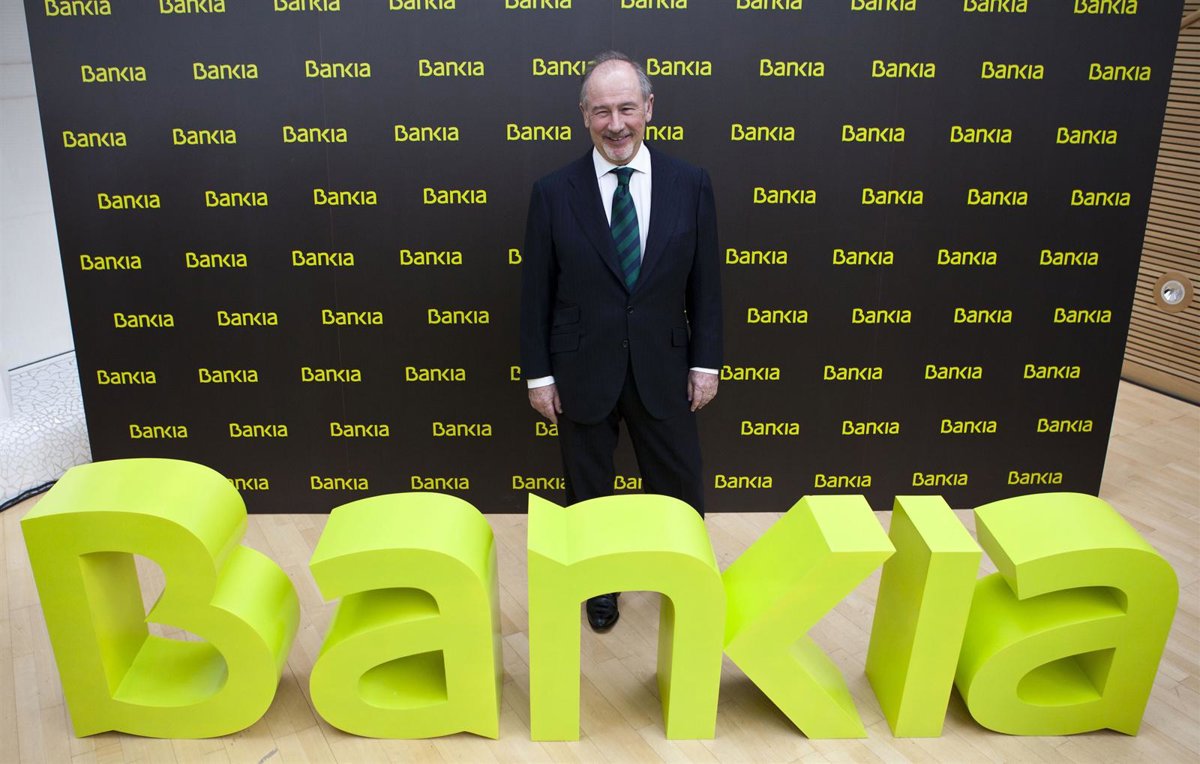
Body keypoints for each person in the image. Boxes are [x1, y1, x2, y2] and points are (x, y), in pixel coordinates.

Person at [519, 51, 723, 633]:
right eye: (602, 111)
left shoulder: (691, 184)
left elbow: (707, 285)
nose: (616, 124)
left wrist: (706, 363)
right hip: (580, 369)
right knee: (588, 491)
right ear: (584, 115)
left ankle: (682, 576)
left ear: (649, 109)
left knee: (679, 484)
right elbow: (535, 292)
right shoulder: (552, 192)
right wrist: (539, 375)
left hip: (666, 365)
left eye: (627, 109)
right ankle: (598, 585)